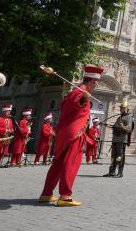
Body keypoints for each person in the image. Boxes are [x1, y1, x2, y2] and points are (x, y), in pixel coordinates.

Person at [40, 65, 102, 206]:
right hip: (75, 134)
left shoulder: (74, 91)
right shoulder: (80, 92)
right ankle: (65, 195)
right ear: (92, 81)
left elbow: (65, 107)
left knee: (58, 164)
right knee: (71, 164)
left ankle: (46, 193)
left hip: (66, 133)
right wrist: (83, 100)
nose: (97, 85)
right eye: (97, 82)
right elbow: (76, 104)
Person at [105, 99, 134, 177]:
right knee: (113, 156)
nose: (120, 109)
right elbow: (116, 127)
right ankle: (112, 171)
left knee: (119, 156)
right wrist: (106, 125)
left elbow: (129, 129)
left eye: (122, 108)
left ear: (125, 109)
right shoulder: (119, 117)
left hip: (122, 140)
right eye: (120, 108)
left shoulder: (128, 118)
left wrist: (122, 126)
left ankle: (120, 173)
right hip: (115, 139)